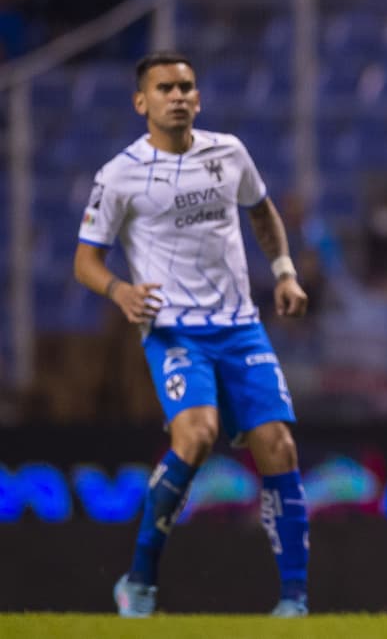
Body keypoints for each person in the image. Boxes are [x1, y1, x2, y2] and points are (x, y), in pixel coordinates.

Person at [73, 52, 312, 618]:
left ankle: (296, 603)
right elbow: (85, 261)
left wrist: (284, 271)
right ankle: (139, 581)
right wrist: (120, 292)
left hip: (241, 327)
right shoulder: (119, 174)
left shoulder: (228, 153)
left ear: (198, 99)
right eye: (164, 88)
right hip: (174, 330)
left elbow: (263, 213)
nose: (177, 95)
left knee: (279, 446)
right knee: (197, 436)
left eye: (185, 87)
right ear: (142, 102)